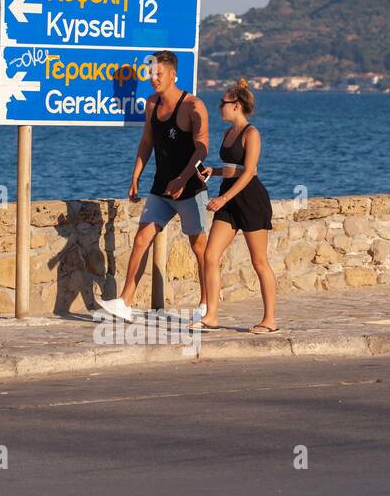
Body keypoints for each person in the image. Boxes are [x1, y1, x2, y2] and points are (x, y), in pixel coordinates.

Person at [98, 51, 209, 324]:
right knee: (141, 239)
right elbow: (146, 143)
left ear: (173, 74)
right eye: (151, 74)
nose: (154, 78)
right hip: (160, 187)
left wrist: (183, 179)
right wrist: (136, 176)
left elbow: (201, 149)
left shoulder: (193, 105)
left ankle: (206, 303)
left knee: (199, 247)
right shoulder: (151, 104)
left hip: (190, 188)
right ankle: (125, 301)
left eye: (159, 74)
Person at [193, 79, 278, 333]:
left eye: (224, 103)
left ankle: (270, 320)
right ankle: (212, 316)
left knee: (259, 261)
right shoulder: (228, 133)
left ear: (237, 106)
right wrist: (214, 171)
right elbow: (234, 168)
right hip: (228, 198)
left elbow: (249, 172)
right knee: (210, 255)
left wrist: (223, 199)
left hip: (250, 201)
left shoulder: (252, 134)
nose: (220, 107)